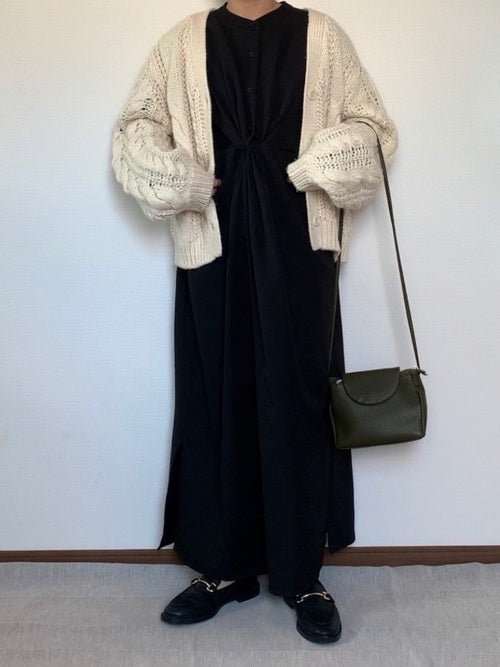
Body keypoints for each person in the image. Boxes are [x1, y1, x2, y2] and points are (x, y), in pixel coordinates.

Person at [111, 0, 397, 644]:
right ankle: (223, 569)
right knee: (216, 397)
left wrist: (315, 165)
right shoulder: (184, 41)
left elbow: (374, 127)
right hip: (212, 245)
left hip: (301, 248)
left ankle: (302, 575)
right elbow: (135, 127)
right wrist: (183, 179)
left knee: (299, 402)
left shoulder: (322, 35)